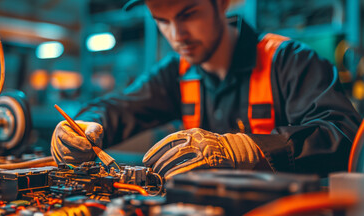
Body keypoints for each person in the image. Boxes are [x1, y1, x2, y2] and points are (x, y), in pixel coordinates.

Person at [51, 0, 362, 179]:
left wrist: (247, 150)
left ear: (222, 3)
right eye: (163, 21)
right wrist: (84, 126)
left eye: (188, 14)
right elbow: (119, 107)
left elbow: (344, 136)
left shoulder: (288, 60)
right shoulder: (175, 73)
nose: (177, 36)